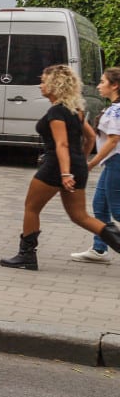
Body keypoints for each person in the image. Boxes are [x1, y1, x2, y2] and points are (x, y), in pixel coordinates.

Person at [0, 64, 120, 270]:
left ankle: (26, 256)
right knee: (80, 217)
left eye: (44, 81)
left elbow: (61, 144)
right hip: (77, 166)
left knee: (31, 207)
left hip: (56, 166)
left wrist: (65, 172)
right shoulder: (77, 111)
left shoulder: (56, 112)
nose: (40, 85)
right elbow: (89, 137)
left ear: (55, 85)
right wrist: (78, 160)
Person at [73, 66, 120, 263]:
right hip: (112, 163)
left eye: (102, 82)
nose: (99, 86)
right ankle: (100, 248)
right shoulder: (113, 107)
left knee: (117, 209)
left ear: (115, 85)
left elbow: (113, 140)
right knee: (100, 204)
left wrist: (92, 162)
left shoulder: (117, 110)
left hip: (116, 162)